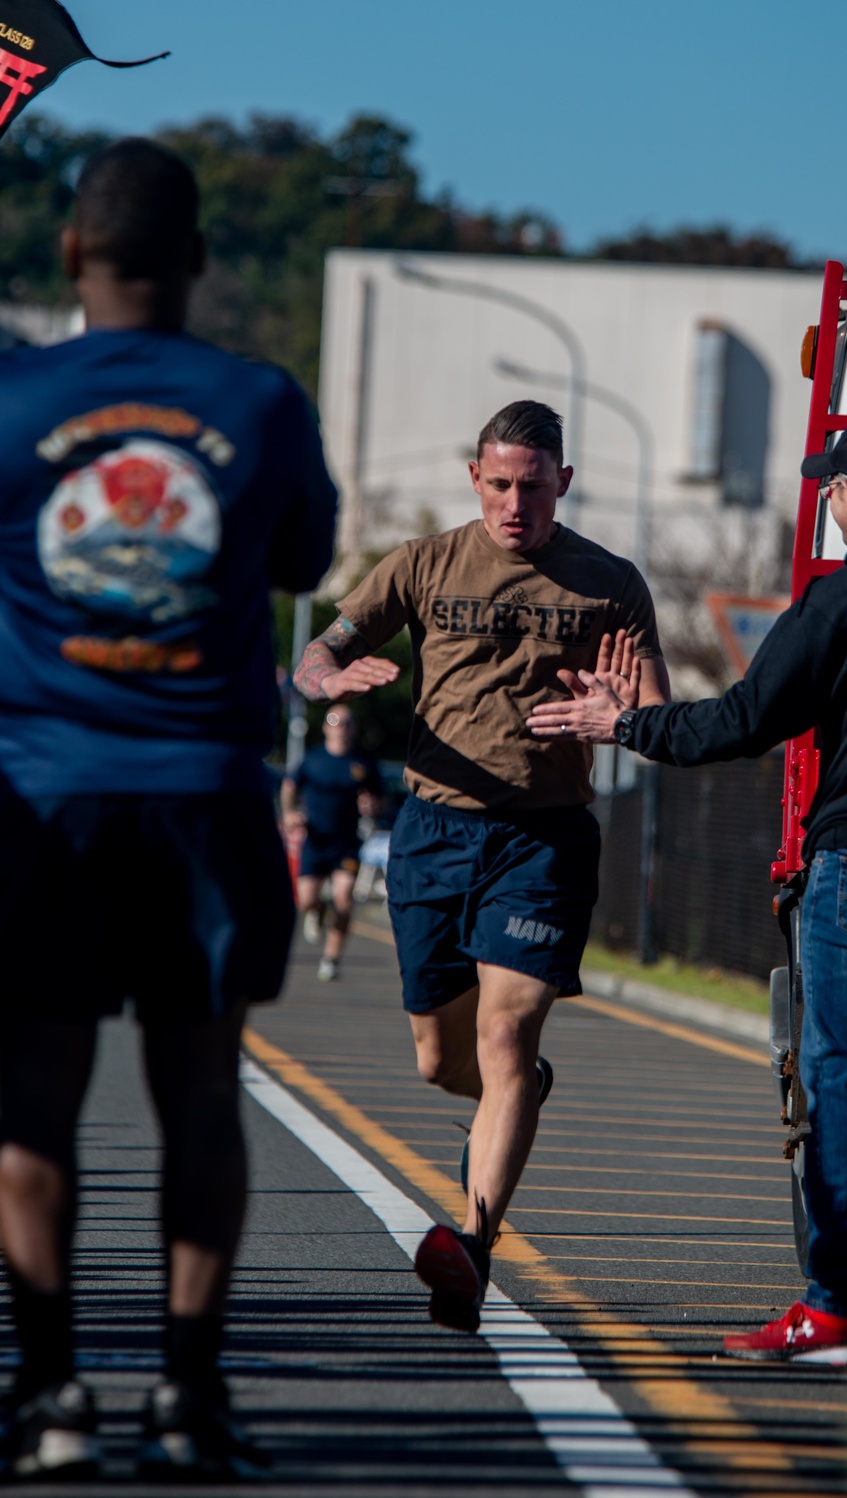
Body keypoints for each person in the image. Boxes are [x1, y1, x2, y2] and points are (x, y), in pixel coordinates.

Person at [0, 138, 336, 1478]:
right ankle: (190, 1399)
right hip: (205, 791)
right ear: (200, 260)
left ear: (72, 254)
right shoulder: (259, 402)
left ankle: (49, 1395)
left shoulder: (13, 398)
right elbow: (304, 556)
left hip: (42, 793)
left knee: (34, 1095)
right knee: (201, 1091)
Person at [528, 413, 847, 1360]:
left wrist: (623, 725)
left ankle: (836, 1304)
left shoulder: (845, 599)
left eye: (831, 490)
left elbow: (742, 723)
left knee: (845, 1075)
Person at [294, 399, 670, 1330]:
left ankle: (471, 1241)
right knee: (439, 1061)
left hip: (543, 840)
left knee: (507, 1035)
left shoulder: (610, 582)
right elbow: (320, 652)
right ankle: (516, 1097)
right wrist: (327, 678)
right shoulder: (423, 564)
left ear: (563, 485)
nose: (515, 505)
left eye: (533, 488)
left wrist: (622, 709)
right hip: (434, 830)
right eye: (499, 485)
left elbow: (658, 716)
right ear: (475, 480)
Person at [281, 704, 382, 980]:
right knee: (306, 901)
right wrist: (290, 812)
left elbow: (379, 799)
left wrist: (373, 806)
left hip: (346, 842)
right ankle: (317, 910)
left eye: (347, 721)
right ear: (326, 726)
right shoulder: (312, 759)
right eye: (334, 720)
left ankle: (331, 959)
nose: (341, 726)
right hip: (315, 840)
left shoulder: (363, 763)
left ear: (354, 727)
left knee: (344, 900)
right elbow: (290, 788)